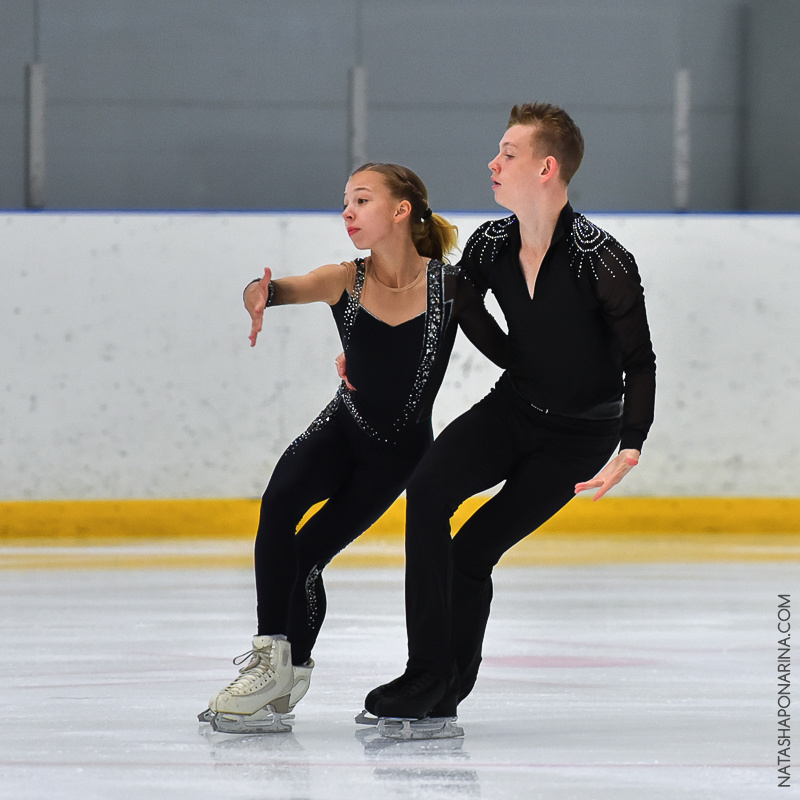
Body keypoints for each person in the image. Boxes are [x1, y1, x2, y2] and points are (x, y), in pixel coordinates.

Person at [363, 103, 657, 732]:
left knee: (473, 549)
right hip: (514, 407)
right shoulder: (492, 244)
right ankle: (426, 676)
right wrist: (373, 349)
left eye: (508, 154)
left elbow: (641, 360)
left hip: (579, 439)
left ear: (547, 168)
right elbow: (447, 311)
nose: (493, 164)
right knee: (429, 490)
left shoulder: (600, 260)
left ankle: (447, 688)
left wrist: (629, 446)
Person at [201, 162, 510, 734]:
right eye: (345, 201)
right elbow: (278, 288)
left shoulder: (451, 289)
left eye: (362, 200)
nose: (347, 211)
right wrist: (257, 295)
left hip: (398, 456)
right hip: (340, 430)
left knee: (308, 554)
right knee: (278, 506)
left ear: (401, 210)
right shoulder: (346, 278)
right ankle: (272, 660)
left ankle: (292, 672)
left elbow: (508, 355)